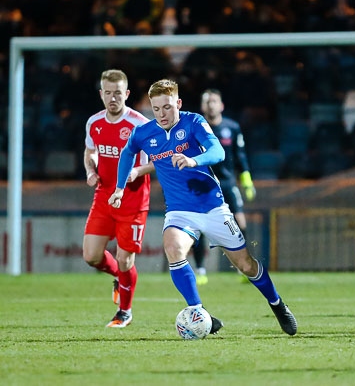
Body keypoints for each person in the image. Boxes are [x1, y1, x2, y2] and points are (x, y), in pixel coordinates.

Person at [108, 79, 297, 336]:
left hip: (213, 207)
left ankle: (277, 304)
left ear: (179, 103)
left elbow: (218, 152)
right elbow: (128, 152)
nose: (161, 114)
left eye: (167, 107)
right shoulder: (144, 132)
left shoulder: (194, 122)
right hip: (179, 211)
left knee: (246, 265)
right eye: (156, 109)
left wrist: (193, 160)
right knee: (173, 248)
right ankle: (199, 312)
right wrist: (119, 188)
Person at [83, 69, 153, 328]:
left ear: (127, 94)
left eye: (118, 93)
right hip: (103, 195)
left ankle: (124, 311)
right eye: (108, 93)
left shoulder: (139, 125)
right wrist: (90, 170)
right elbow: (90, 151)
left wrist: (137, 171)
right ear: (102, 94)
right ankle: (119, 277)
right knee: (91, 256)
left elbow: (157, 160)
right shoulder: (94, 123)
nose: (113, 98)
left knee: (126, 259)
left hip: (133, 200)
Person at [192, 89, 256, 285]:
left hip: (227, 183)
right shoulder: (195, 128)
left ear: (221, 105)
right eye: (207, 101)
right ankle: (201, 269)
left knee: (240, 224)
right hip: (202, 184)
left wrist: (246, 181)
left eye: (214, 101)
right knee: (197, 227)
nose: (211, 105)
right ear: (203, 106)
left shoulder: (232, 127)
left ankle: (243, 267)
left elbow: (240, 156)